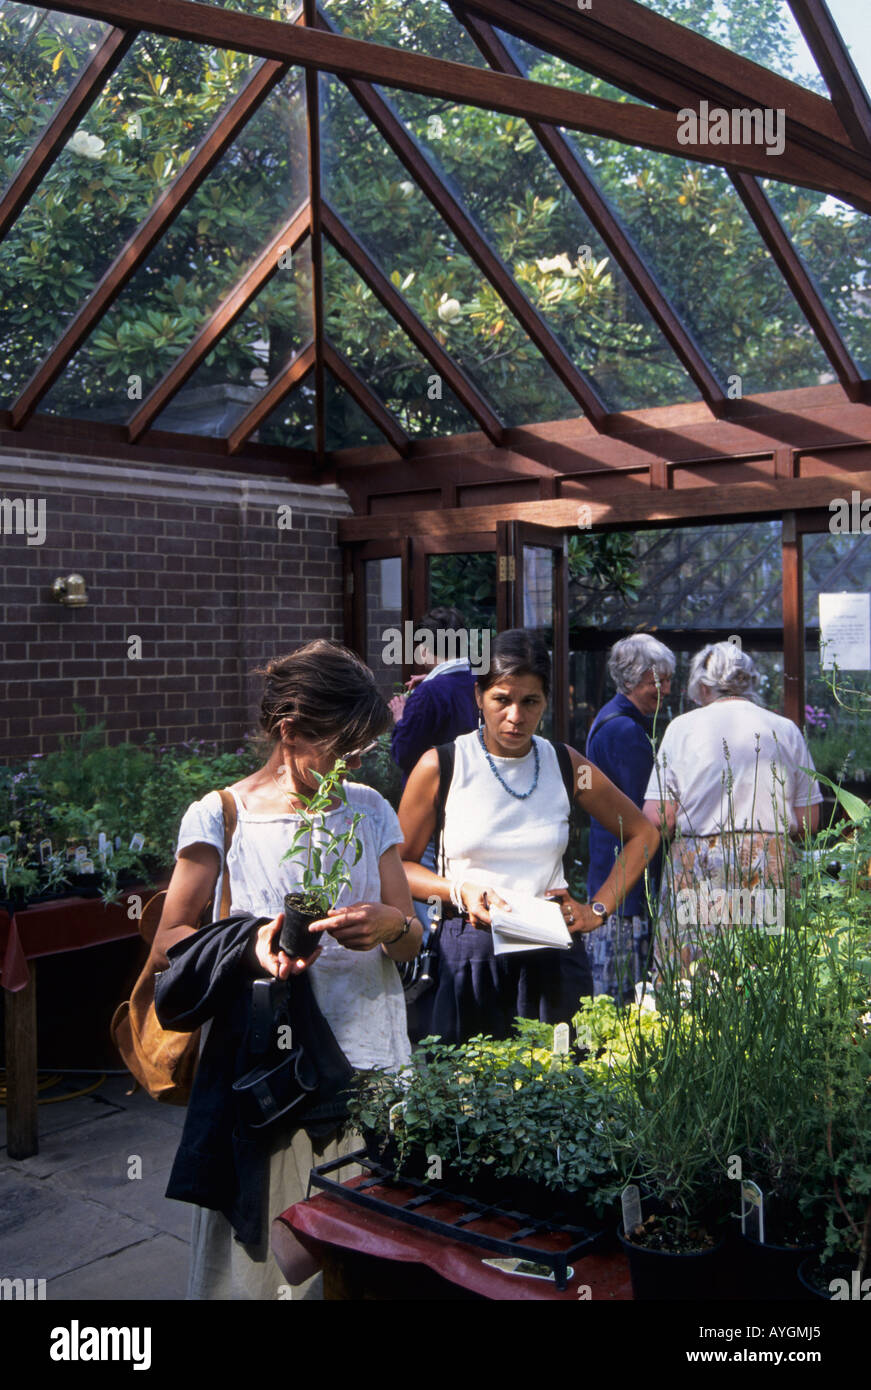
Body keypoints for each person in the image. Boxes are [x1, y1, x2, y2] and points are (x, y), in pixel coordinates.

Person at [153, 640, 421, 1300]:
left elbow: (410, 938)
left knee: (363, 1250)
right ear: (290, 729)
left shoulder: (370, 810)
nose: (349, 766)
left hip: (368, 1060)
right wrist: (255, 940)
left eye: (359, 754)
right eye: (340, 749)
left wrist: (391, 927)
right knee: (274, 1266)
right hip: (272, 1074)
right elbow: (169, 944)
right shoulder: (222, 815)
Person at [398, 629, 660, 1044]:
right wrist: (459, 889)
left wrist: (598, 908)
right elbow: (399, 865)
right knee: (467, 1096)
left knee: (559, 1092)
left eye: (530, 701)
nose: (515, 716)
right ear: (478, 697)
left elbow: (644, 833)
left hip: (552, 954)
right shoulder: (442, 765)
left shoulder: (566, 764)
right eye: (502, 699)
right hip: (471, 955)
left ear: (546, 703)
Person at [642, 641, 822, 975]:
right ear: (751, 681)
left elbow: (657, 818)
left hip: (697, 869)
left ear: (703, 685)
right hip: (770, 864)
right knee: (767, 972)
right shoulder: (785, 729)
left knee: (693, 977)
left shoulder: (681, 728)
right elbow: (808, 820)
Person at [585, 634, 674, 1001]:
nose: (667, 690)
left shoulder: (612, 720)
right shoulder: (625, 730)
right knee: (622, 998)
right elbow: (649, 817)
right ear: (634, 677)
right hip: (626, 889)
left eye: (668, 680)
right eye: (659, 680)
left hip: (614, 880)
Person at [389, 606, 480, 785]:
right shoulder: (478, 682)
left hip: (432, 794)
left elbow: (404, 754)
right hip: (470, 784)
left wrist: (401, 718)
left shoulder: (427, 694)